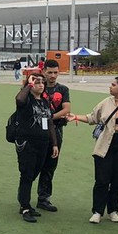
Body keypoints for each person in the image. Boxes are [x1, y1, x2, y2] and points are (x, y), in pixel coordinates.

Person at [67, 71, 118, 224]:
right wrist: (76, 117)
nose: (110, 87)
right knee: (102, 179)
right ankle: (97, 211)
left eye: (113, 85)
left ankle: (113, 210)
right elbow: (93, 117)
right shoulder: (106, 102)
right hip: (105, 143)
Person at [12, 73, 59, 223]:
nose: (41, 85)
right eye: (37, 82)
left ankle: (24, 202)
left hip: (43, 143)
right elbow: (19, 100)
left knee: (34, 174)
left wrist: (54, 143)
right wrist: (29, 84)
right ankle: (25, 207)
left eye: (42, 82)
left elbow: (50, 123)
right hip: (27, 143)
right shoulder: (26, 99)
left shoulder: (44, 102)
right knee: (26, 174)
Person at [38, 59, 71, 212]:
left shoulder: (63, 89)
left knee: (50, 165)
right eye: (49, 72)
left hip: (56, 131)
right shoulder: (38, 87)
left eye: (55, 72)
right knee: (33, 165)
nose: (52, 75)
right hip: (37, 131)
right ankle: (24, 198)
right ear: (44, 71)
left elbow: (66, 109)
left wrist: (50, 117)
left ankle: (44, 198)